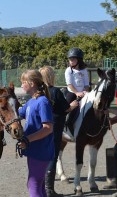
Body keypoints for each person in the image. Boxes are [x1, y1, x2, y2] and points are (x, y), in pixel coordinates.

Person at [40, 66, 79, 197]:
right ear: (51, 76)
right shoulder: (55, 91)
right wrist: (73, 106)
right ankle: (49, 189)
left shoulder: (39, 92)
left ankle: (43, 188)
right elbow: (66, 108)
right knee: (53, 155)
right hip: (55, 127)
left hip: (41, 127)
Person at [18, 69, 54, 197]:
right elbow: (18, 114)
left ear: (32, 83)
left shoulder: (42, 102)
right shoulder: (31, 101)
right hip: (34, 150)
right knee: (39, 186)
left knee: (33, 185)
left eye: (23, 82)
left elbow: (48, 128)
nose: (21, 85)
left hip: (41, 151)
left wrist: (28, 139)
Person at [64, 47, 90, 134]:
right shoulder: (68, 70)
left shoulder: (84, 70)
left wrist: (85, 91)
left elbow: (86, 84)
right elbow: (69, 84)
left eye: (73, 59)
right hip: (72, 93)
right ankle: (67, 122)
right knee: (67, 107)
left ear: (79, 60)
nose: (71, 61)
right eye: (70, 59)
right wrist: (76, 93)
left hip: (83, 93)